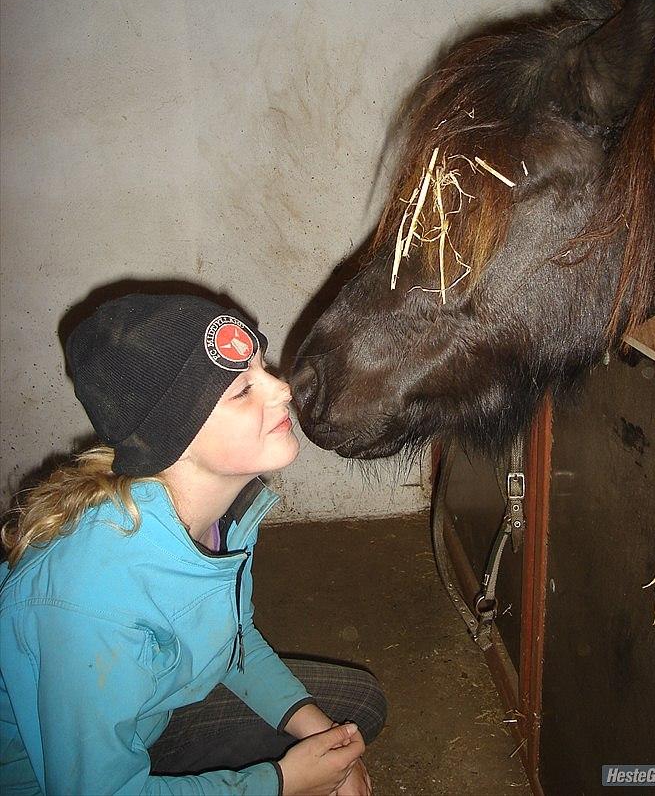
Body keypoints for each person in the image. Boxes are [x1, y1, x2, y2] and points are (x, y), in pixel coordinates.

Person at [0, 293, 386, 795]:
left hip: (151, 715)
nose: (283, 389)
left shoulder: (212, 516)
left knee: (355, 710)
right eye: (243, 390)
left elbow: (229, 639)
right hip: (51, 780)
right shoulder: (88, 602)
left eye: (262, 368)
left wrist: (322, 743)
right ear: (172, 434)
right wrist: (282, 782)